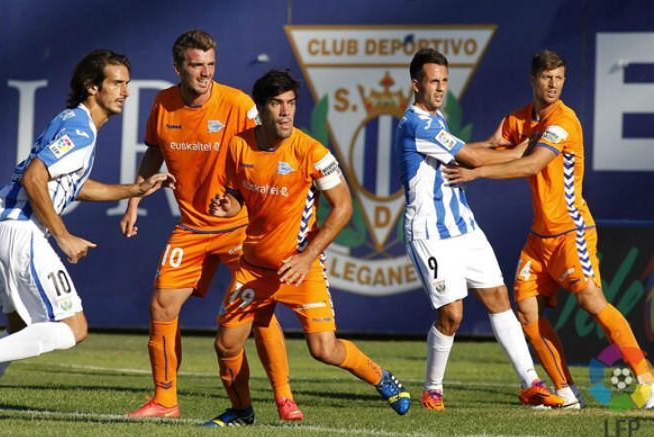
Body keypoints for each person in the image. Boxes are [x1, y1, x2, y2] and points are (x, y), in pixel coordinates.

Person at [0, 49, 175, 431]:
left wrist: (135, 189)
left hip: (1, 228)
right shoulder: (79, 129)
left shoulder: (76, 124)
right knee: (73, 328)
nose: (125, 91)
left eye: (127, 82)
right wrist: (63, 236)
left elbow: (74, 186)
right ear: (92, 87)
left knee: (18, 333)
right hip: (21, 229)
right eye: (116, 82)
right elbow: (34, 178)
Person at [443, 49, 654, 409]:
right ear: (533, 79)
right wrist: (441, 148)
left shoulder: (564, 122)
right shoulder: (520, 119)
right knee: (526, 312)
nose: (553, 84)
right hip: (540, 238)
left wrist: (476, 172)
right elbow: (494, 146)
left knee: (591, 300)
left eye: (559, 78)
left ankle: (646, 378)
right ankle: (567, 392)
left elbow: (530, 163)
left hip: (571, 231)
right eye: (547, 77)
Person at [203, 69, 410, 427]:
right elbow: (238, 196)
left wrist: (307, 256)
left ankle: (381, 377)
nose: (286, 112)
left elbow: (344, 207)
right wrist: (229, 207)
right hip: (254, 268)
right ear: (261, 109)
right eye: (277, 104)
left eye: (291, 103)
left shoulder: (312, 151)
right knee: (227, 344)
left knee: (323, 350)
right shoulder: (238, 146)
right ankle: (242, 411)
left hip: (301, 267)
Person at [119, 30, 302, 420]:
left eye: (211, 65)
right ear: (178, 67)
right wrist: (134, 200)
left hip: (238, 226)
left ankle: (284, 396)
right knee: (162, 305)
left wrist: (255, 200)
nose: (205, 73)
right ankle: (165, 400)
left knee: (262, 311)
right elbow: (154, 153)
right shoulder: (163, 104)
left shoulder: (237, 104)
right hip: (192, 227)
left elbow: (272, 146)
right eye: (196, 65)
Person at [393, 48, 564, 411]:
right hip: (430, 233)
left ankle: (530, 383)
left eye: (444, 81)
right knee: (452, 314)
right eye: (432, 81)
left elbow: (467, 149)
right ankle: (433, 388)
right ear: (415, 84)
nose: (440, 88)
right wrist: (523, 151)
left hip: (465, 228)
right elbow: (469, 159)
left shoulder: (436, 119)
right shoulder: (416, 123)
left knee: (499, 299)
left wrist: (494, 144)